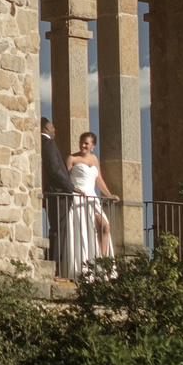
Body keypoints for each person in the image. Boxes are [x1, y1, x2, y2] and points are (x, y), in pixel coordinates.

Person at [66, 131, 115, 271]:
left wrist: (109, 194)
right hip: (79, 197)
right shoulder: (72, 158)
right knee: (85, 231)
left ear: (92, 145)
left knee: (105, 227)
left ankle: (102, 263)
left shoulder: (94, 159)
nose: (83, 145)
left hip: (92, 198)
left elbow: (98, 179)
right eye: (81, 142)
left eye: (86, 143)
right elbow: (65, 180)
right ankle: (86, 266)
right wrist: (74, 190)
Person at [41, 116, 74, 276]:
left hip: (52, 193)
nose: (55, 131)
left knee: (56, 228)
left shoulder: (41, 143)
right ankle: (55, 267)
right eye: (53, 127)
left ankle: (52, 263)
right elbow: (55, 170)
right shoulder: (48, 144)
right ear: (47, 127)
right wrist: (69, 187)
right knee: (59, 230)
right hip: (57, 193)